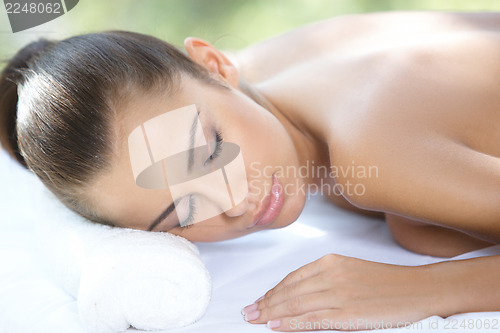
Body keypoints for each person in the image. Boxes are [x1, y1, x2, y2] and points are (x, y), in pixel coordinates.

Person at [2, 10, 500, 331]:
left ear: (213, 63)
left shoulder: (372, 154)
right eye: (186, 212)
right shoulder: (269, 70)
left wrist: (424, 287)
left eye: (213, 151)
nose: (235, 201)